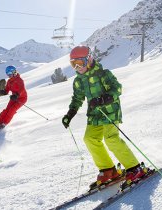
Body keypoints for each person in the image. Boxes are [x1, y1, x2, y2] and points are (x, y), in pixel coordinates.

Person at [62, 46, 147, 189]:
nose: (77, 67)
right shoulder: (78, 81)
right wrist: (70, 114)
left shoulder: (103, 74)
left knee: (111, 139)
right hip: (94, 114)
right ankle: (109, 170)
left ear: (89, 59)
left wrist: (104, 99)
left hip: (110, 111)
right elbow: (77, 99)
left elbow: (117, 88)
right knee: (90, 139)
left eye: (80, 63)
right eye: (73, 64)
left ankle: (134, 168)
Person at [0, 65, 27, 131]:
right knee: (6, 110)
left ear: (14, 72)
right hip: (13, 98)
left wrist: (17, 95)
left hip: (21, 98)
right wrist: (4, 92)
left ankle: (4, 124)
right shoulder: (9, 81)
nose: (9, 75)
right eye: (7, 74)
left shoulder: (19, 80)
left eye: (10, 73)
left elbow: (22, 90)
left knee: (12, 110)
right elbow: (7, 90)